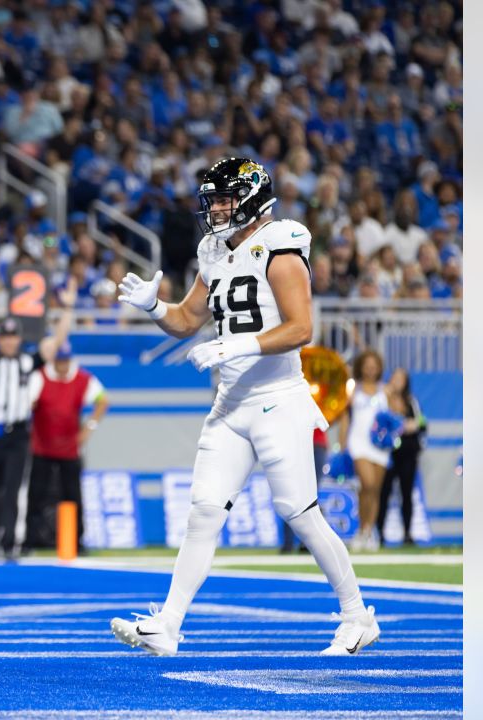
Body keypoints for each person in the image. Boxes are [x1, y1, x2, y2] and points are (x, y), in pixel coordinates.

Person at [112, 158, 378, 656]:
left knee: (299, 513)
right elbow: (188, 319)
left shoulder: (281, 246)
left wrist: (238, 345)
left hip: (278, 399)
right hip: (231, 402)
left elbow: (301, 328)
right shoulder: (213, 250)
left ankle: (357, 616)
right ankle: (167, 625)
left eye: (223, 198)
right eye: (210, 199)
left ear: (252, 198)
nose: (214, 208)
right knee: (203, 512)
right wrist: (154, 307)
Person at [0, 274, 71, 561]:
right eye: (4, 337)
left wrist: (67, 309)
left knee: (11, 491)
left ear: (19, 339)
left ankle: (8, 543)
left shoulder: (28, 361)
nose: (9, 341)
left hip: (18, 434)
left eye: (13, 336)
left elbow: (56, 341)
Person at [26, 338, 108, 550]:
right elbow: (28, 402)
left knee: (72, 495)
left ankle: (75, 540)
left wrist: (88, 428)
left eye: (65, 360)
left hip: (70, 448)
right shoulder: (40, 376)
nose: (62, 365)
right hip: (42, 446)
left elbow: (103, 400)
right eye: (59, 360)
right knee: (37, 494)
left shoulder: (82, 378)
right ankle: (32, 538)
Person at [341, 349, 391, 552]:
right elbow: (346, 418)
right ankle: (362, 529)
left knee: (375, 490)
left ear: (378, 368)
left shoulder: (385, 391)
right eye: (367, 364)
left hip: (379, 446)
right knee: (367, 483)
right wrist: (342, 443)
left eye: (374, 365)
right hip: (358, 442)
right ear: (361, 366)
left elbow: (395, 416)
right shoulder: (353, 390)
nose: (370, 368)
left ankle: (368, 531)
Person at [376, 367, 426, 546]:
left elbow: (421, 422)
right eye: (395, 377)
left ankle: (407, 533)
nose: (397, 382)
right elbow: (379, 422)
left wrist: (413, 425)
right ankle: (379, 533)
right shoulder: (383, 399)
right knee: (383, 493)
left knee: (406, 493)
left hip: (408, 453)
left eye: (401, 379)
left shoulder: (411, 401)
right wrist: (401, 425)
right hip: (387, 454)